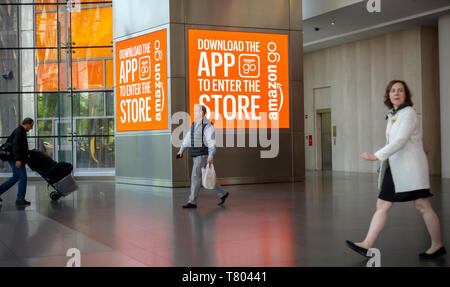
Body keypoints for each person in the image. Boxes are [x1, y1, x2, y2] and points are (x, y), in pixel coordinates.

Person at [346, 80, 446, 259]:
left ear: (406, 95)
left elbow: (399, 140)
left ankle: (437, 245)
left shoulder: (408, 113)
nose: (396, 93)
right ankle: (367, 244)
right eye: (393, 91)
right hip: (397, 167)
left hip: (410, 169)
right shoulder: (394, 114)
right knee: (383, 204)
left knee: (422, 205)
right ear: (389, 95)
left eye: (400, 90)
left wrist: (376, 156)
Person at [177, 104, 229, 208]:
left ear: (201, 113)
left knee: (195, 177)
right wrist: (181, 150)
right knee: (207, 176)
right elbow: (188, 137)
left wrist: (210, 155)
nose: (194, 113)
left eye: (195, 111)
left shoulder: (208, 126)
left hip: (202, 155)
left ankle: (192, 201)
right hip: (197, 154)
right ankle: (222, 193)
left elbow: (211, 142)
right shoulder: (194, 124)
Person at [0, 118, 34, 206]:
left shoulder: (20, 131)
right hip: (16, 159)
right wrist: (18, 159)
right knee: (23, 178)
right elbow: (16, 146)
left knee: (15, 177)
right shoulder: (19, 131)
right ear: (27, 124)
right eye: (31, 125)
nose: (31, 128)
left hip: (16, 158)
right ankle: (20, 199)